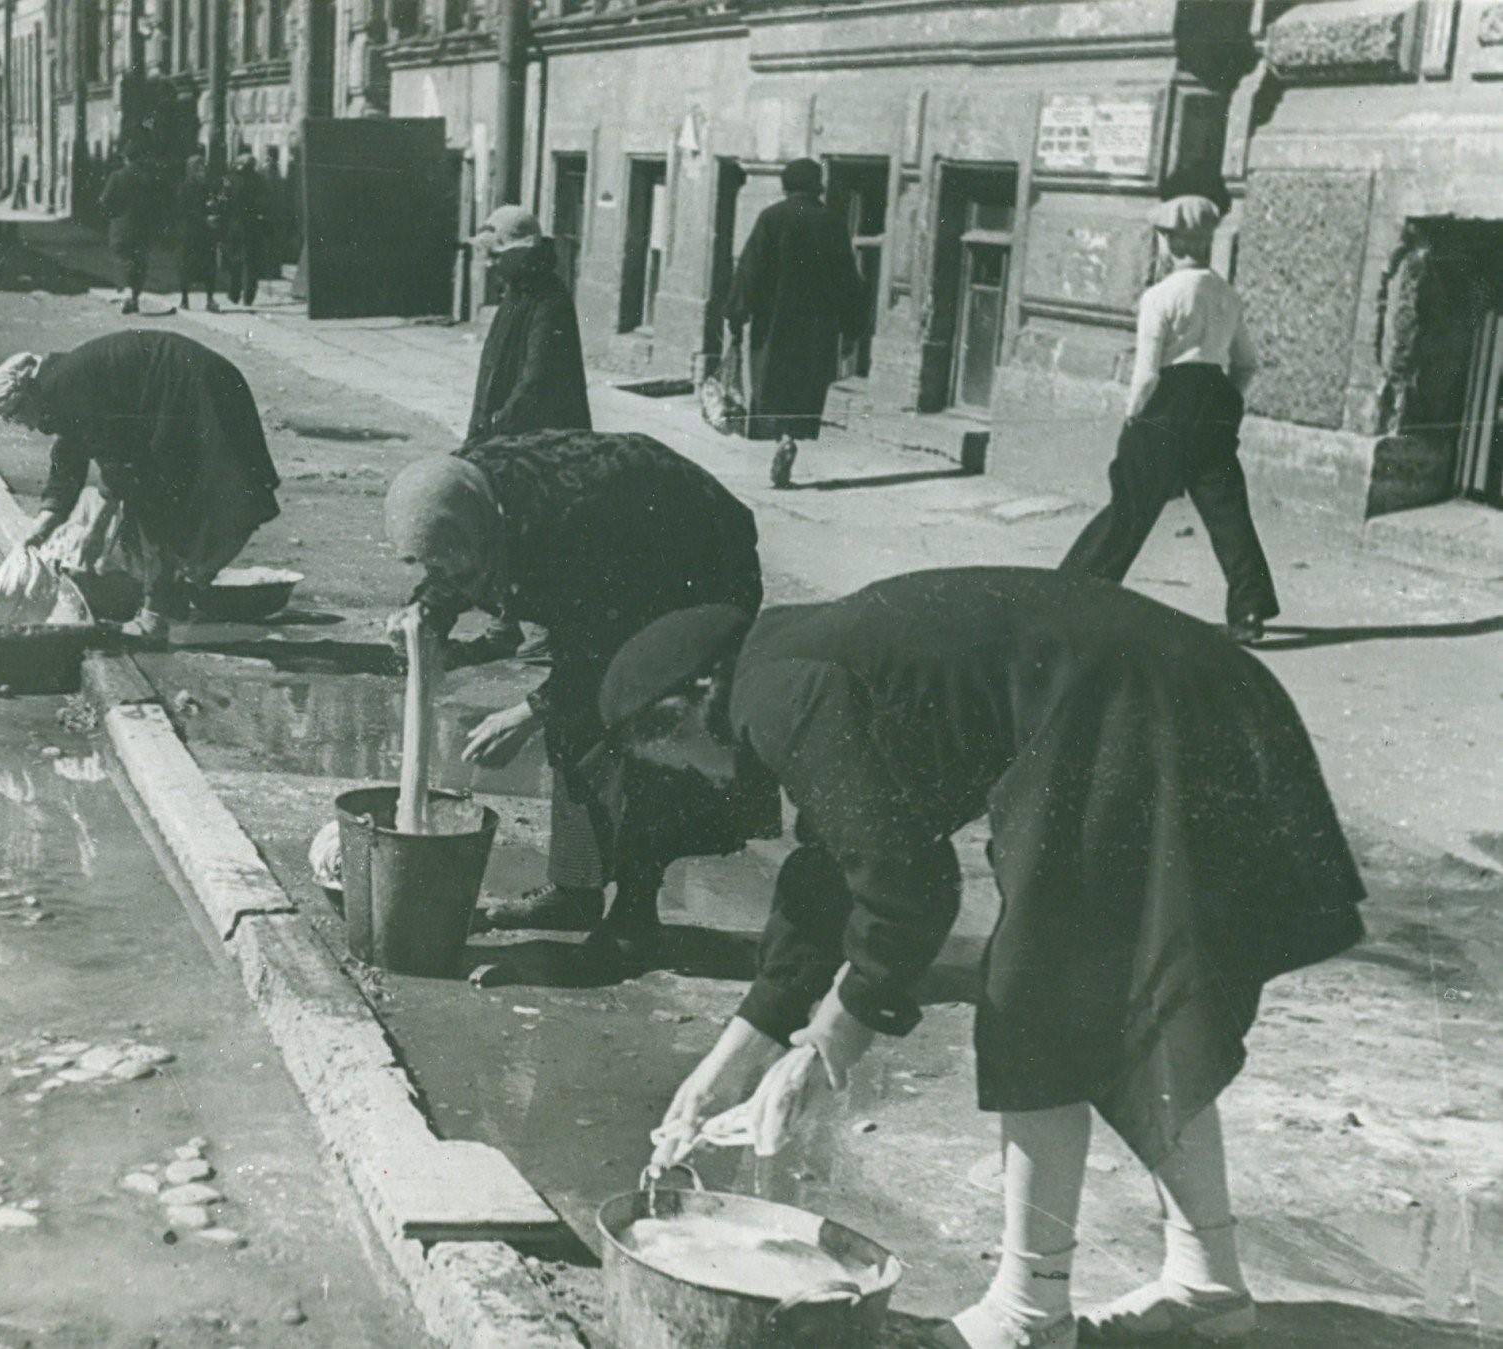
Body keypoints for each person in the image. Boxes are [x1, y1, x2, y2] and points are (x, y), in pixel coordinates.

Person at [601, 567, 1365, 1349]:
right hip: (1170, 690)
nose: (693, 773)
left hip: (1135, 707)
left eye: (674, 756)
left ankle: (1027, 1314)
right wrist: (736, 1055)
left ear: (690, 703)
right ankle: (1209, 1285)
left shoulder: (774, 698)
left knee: (1035, 1005)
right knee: (1133, 1000)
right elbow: (837, 866)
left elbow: (904, 876)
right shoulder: (787, 659)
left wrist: (832, 1035)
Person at [383, 431, 765, 945]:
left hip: (699, 568)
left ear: (482, 530)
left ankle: (635, 912)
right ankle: (574, 893)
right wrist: (428, 609)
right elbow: (453, 555)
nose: (443, 572)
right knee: (577, 716)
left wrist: (529, 711)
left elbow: (602, 644)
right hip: (620, 571)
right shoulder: (468, 489)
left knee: (640, 713)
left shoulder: (570, 523)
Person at [1059, 196, 1276, 645]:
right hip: (1214, 400)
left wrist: (1132, 419)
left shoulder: (1160, 296)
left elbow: (1147, 375)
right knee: (1227, 511)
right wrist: (1222, 403)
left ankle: (1075, 594)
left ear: (1171, 242)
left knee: (1131, 504)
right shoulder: (1226, 294)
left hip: (1167, 402)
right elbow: (1248, 364)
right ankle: (1249, 612)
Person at [0, 333, 280, 641]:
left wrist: (96, 532)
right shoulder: (59, 385)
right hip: (183, 391)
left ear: (28, 392)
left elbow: (119, 460)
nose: (28, 426)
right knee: (156, 497)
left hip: (196, 387)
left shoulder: (64, 385)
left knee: (182, 498)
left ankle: (164, 607)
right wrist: (41, 528)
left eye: (18, 416)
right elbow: (69, 459)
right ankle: (175, 593)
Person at [727, 157, 866, 488]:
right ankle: (791, 435)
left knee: (772, 384)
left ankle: (779, 436)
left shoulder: (772, 219)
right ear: (817, 185)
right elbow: (848, 279)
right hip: (816, 329)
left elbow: (749, 270)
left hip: (773, 326)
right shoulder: (832, 223)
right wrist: (851, 329)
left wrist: (737, 315)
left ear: (786, 185)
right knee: (804, 389)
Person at [466, 205, 591, 445]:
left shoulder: (548, 300)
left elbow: (536, 380)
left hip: (538, 442)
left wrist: (496, 426)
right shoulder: (516, 294)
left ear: (522, 253)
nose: (490, 264)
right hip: (503, 434)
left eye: (496, 255)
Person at [99, 153, 166, 314]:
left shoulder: (117, 176)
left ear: (126, 158)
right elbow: (157, 204)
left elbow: (104, 200)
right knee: (140, 263)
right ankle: (134, 298)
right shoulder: (148, 179)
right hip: (143, 229)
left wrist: (113, 215)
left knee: (122, 258)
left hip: (121, 227)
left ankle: (128, 292)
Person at [216, 154, 267, 307]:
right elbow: (265, 201)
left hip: (234, 224)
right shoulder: (258, 180)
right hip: (252, 225)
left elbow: (222, 201)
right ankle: (249, 296)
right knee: (251, 261)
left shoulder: (229, 180)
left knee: (234, 260)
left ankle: (234, 293)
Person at [176, 154, 219, 312]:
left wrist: (214, 208)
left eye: (203, 169)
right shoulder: (184, 188)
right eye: (198, 169)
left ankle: (210, 299)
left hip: (206, 235)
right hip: (190, 233)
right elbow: (183, 211)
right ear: (191, 171)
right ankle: (184, 299)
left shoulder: (208, 188)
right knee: (186, 266)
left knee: (209, 267)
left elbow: (214, 204)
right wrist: (204, 219)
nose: (202, 172)